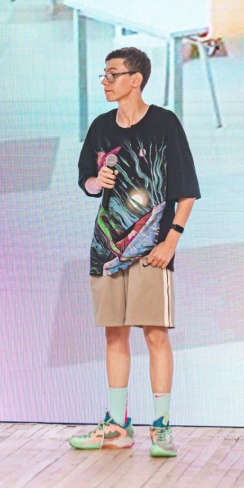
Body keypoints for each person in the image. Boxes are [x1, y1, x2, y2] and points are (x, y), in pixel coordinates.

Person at [70, 47, 200, 458]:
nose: (105, 82)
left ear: (136, 79)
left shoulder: (165, 124)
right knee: (114, 333)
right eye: (104, 74)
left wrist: (170, 241)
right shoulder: (100, 127)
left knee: (155, 334)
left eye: (112, 74)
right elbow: (86, 181)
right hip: (107, 248)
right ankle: (116, 424)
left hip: (152, 250)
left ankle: (161, 426)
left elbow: (186, 190)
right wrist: (97, 181)